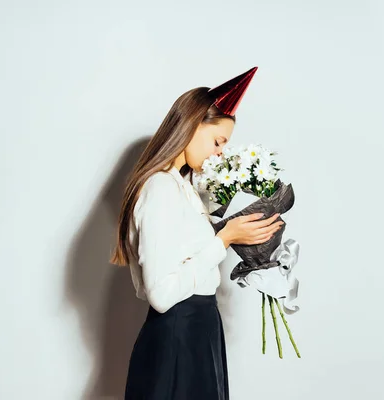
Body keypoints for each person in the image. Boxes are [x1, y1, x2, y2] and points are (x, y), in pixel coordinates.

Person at [110, 66, 284, 400]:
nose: (220, 152)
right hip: (179, 335)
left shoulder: (186, 189)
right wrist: (225, 239)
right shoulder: (160, 187)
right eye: (218, 141)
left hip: (199, 331)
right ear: (192, 124)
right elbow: (161, 295)